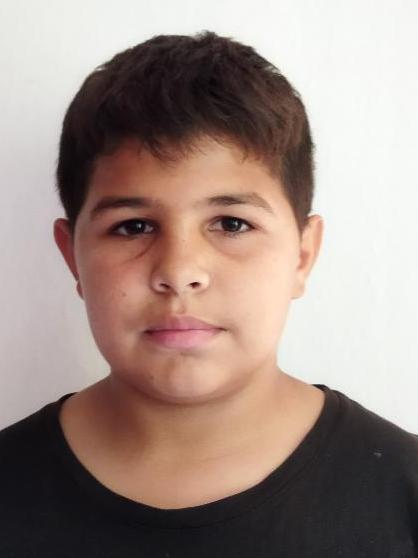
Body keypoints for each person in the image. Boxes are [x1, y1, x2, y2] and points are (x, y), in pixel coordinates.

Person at [0, 30, 417, 557]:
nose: (179, 272)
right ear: (72, 257)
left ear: (302, 255)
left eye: (231, 223)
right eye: (133, 227)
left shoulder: (402, 494)